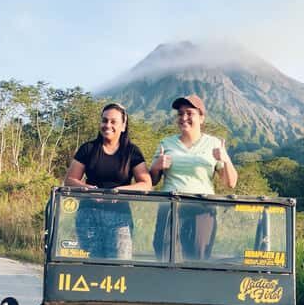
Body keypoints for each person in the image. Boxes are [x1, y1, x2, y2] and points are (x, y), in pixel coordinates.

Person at [149, 94, 237, 259]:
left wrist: (225, 159)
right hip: (169, 208)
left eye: (189, 113)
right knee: (164, 255)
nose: (184, 118)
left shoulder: (214, 144)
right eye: (180, 114)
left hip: (202, 210)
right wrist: (156, 166)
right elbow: (152, 181)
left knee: (198, 258)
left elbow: (230, 183)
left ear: (201, 118)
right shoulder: (166, 143)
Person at [63, 102, 151, 259]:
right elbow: (70, 180)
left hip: (120, 217)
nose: (107, 125)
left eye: (113, 121)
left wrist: (118, 192)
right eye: (104, 120)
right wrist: (88, 189)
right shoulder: (88, 149)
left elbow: (146, 184)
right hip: (88, 215)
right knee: (93, 266)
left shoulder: (132, 152)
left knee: (119, 266)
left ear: (123, 126)